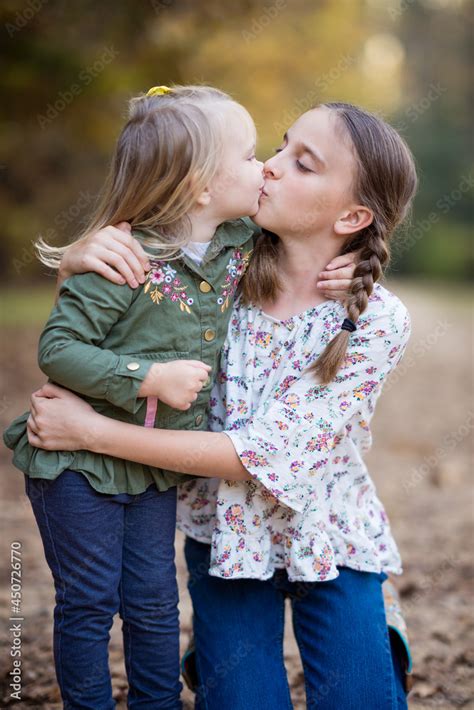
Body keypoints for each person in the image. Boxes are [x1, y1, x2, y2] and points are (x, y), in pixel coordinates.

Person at [23, 102, 416, 709]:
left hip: (331, 536)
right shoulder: (221, 269)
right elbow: (112, 317)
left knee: (361, 699)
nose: (273, 167)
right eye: (279, 147)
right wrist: (78, 260)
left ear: (353, 215)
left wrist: (90, 432)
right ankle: (214, 661)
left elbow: (262, 456)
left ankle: (373, 626)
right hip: (226, 535)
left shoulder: (374, 319)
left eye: (302, 163)